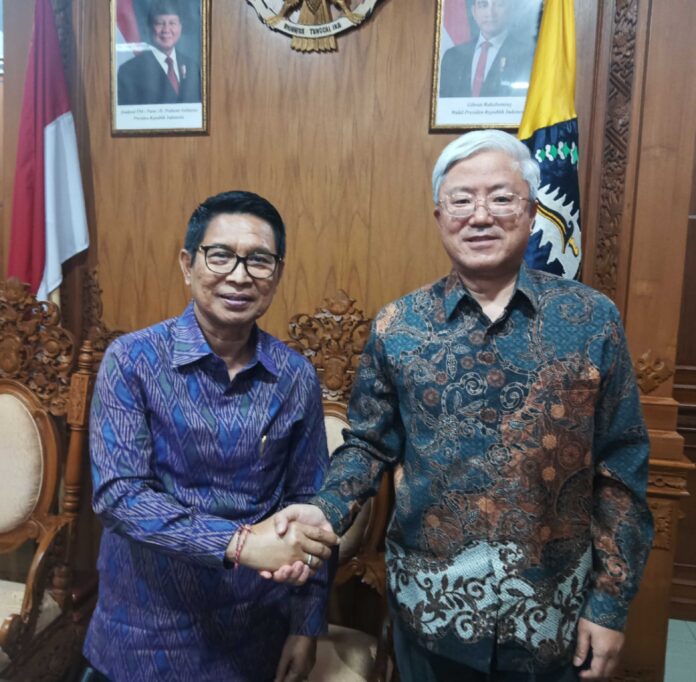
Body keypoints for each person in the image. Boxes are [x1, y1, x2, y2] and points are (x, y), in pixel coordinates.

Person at [270, 131, 654, 681]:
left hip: (552, 615)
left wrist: (610, 605)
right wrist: (325, 509)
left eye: (501, 197)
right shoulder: (398, 326)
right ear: (439, 215)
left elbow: (621, 465)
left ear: (531, 211)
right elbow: (368, 445)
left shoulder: (592, 321)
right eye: (462, 199)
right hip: (432, 610)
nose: (481, 215)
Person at [83, 190, 338, 682]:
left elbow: (310, 502)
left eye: (259, 260)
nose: (239, 276)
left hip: (253, 631)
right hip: (145, 630)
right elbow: (120, 496)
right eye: (220, 255)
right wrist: (239, 544)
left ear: (277, 274)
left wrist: (306, 626)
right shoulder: (131, 360)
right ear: (188, 264)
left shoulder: (294, 376)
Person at [439, 0, 535, 98]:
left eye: (499, 4)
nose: (490, 13)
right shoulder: (452, 56)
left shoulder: (527, 55)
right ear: (474, 12)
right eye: (483, 5)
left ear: (511, 10)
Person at [117, 0, 201, 106]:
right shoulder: (129, 71)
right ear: (149, 28)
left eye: (172, 23)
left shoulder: (192, 67)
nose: (166, 30)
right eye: (160, 23)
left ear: (180, 27)